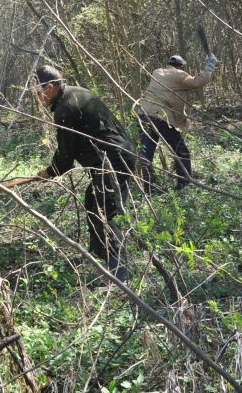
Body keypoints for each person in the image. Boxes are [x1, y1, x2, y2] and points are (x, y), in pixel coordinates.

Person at [33, 65, 137, 281]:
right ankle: (99, 256)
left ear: (50, 87)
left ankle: (119, 274)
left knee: (103, 215)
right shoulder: (77, 93)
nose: (36, 96)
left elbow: (65, 157)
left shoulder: (66, 108)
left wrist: (50, 172)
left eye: (38, 90)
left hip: (113, 161)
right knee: (93, 204)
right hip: (120, 156)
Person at [135, 52, 218, 192]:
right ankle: (184, 185)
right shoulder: (179, 75)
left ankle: (148, 188)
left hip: (143, 115)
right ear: (180, 66)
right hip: (161, 117)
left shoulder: (157, 72)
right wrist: (209, 66)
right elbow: (198, 82)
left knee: (146, 153)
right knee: (181, 151)